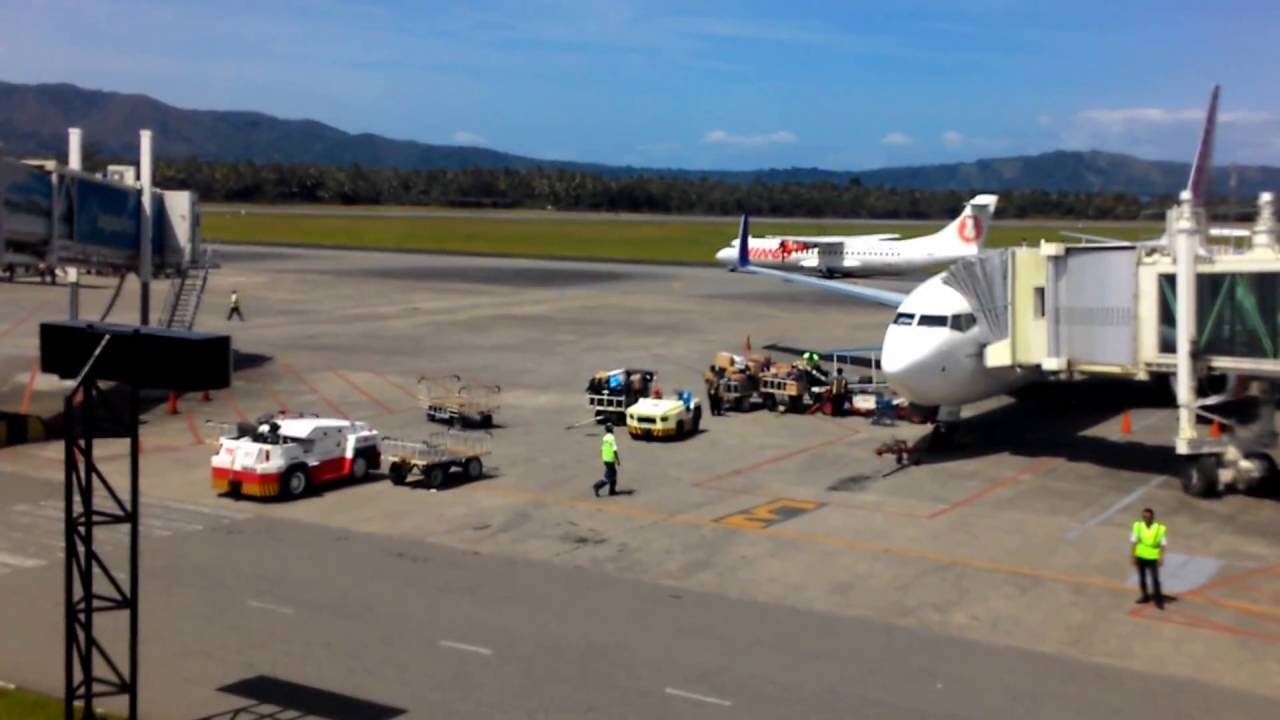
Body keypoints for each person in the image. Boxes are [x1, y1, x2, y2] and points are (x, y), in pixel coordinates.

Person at [1131, 507, 1168, 610]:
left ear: (1152, 517)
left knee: (1155, 579)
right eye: (1144, 517)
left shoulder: (1159, 528)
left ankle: (1158, 600)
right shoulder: (1138, 526)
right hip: (1141, 556)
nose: (1145, 518)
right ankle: (1145, 596)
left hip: (1152, 558)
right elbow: (1134, 542)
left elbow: (1163, 544)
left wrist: (1161, 557)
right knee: (1142, 578)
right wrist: (1133, 556)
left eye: (1148, 517)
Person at [593, 423, 620, 497]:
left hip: (605, 458)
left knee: (613, 474)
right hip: (610, 459)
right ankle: (597, 486)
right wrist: (617, 459)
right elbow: (614, 449)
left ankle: (612, 490)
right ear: (611, 429)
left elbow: (602, 448)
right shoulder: (612, 438)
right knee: (608, 477)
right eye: (612, 428)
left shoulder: (605, 438)